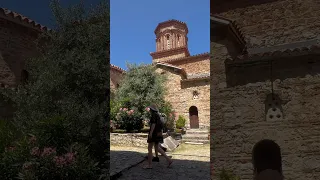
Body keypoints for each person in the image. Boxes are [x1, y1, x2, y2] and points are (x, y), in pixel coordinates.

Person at [143, 104, 173, 169]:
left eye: (150, 109)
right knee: (157, 148)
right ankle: (169, 160)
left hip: (153, 133)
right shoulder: (158, 115)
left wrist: (150, 133)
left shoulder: (153, 115)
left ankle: (149, 165)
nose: (150, 110)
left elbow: (153, 124)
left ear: (152, 109)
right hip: (158, 133)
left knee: (149, 148)